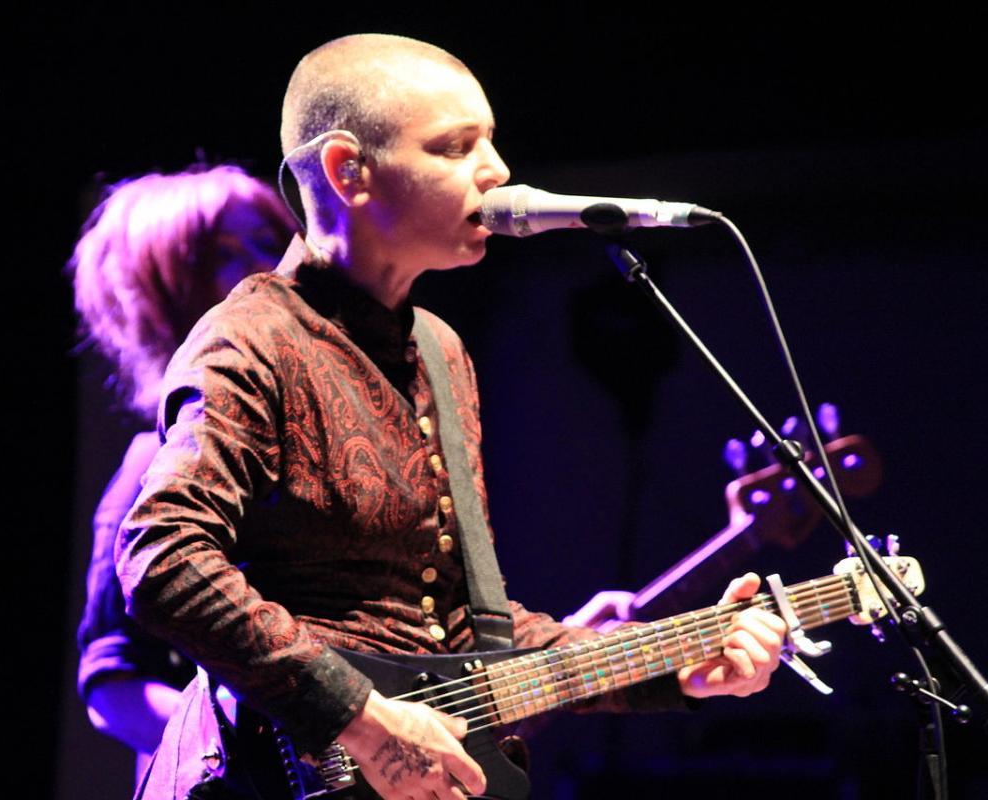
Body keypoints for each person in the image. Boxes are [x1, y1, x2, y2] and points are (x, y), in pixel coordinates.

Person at [116, 34, 788, 800]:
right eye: (455, 146)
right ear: (348, 172)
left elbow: (476, 638)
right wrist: (360, 717)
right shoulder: (251, 343)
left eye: (491, 142)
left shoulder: (440, 351)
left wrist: (678, 665)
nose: (497, 171)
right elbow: (161, 558)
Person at [69, 165, 297, 784]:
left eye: (267, 240)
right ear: (169, 291)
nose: (263, 264)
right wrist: (254, 752)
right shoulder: (155, 462)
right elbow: (111, 689)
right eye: (223, 252)